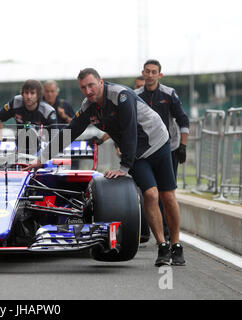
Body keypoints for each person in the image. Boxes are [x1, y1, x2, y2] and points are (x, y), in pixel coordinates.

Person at [24, 68, 185, 267]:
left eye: (91, 85)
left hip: (158, 142)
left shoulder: (121, 96)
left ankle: (176, 245)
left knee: (167, 195)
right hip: (137, 154)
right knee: (150, 195)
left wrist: (124, 167)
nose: (88, 90)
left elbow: (129, 131)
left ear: (101, 82)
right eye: (83, 87)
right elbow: (70, 132)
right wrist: (41, 159)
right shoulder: (88, 107)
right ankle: (162, 246)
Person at [136, 59, 189, 178]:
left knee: (167, 190)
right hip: (145, 149)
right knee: (148, 189)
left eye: (154, 72)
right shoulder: (135, 96)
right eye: (147, 71)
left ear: (160, 75)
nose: (150, 75)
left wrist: (183, 146)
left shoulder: (169, 93)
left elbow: (183, 120)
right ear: (143, 73)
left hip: (169, 147)